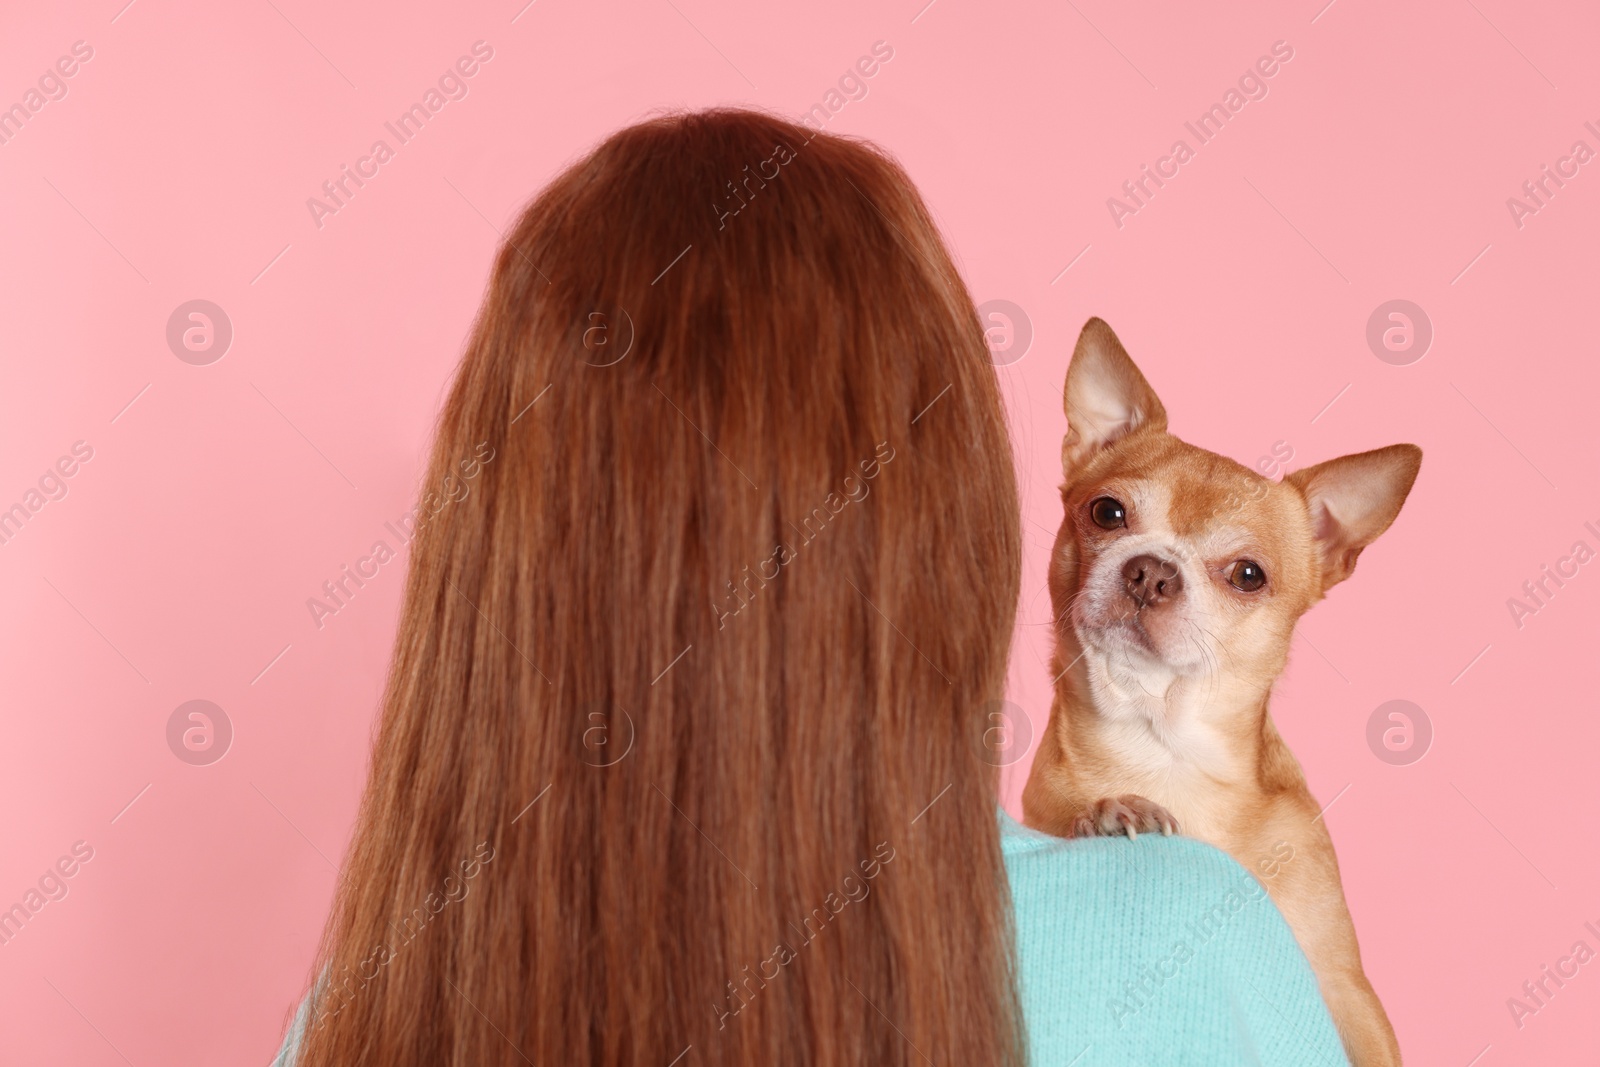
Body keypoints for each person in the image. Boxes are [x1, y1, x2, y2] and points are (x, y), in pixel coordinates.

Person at [272, 108, 1347, 1066]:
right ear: (949, 528)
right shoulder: (1183, 943)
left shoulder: (361, 1013)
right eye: (1108, 513)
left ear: (503, 553)